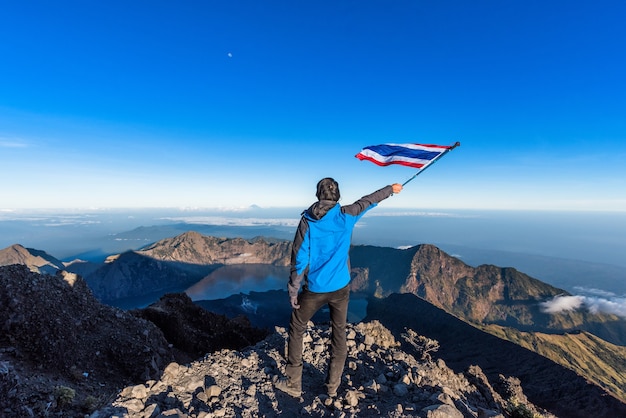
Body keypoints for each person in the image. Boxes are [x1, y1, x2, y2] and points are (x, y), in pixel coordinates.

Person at [275, 177, 403, 398]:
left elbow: (299, 258)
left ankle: (294, 384)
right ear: (337, 196)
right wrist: (390, 189)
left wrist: (293, 291)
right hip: (341, 288)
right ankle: (332, 387)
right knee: (339, 333)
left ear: (318, 194)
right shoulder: (347, 215)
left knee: (297, 326)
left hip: (315, 289)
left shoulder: (308, 221)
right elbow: (368, 200)